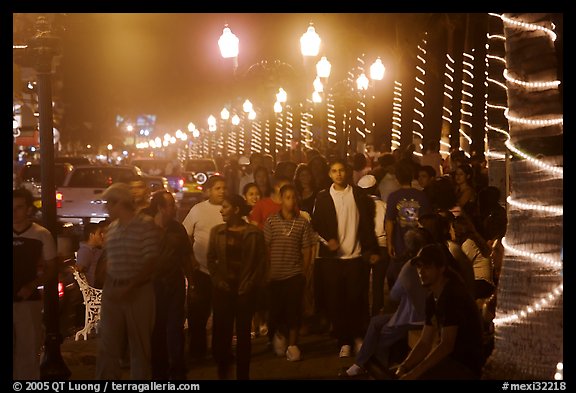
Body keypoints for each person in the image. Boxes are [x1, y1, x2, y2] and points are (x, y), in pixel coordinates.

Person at [339, 227, 432, 378]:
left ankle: (378, 371)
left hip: (415, 318)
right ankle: (359, 366)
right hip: (416, 314)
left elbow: (394, 295)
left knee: (381, 335)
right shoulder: (427, 263)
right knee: (376, 322)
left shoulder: (410, 267)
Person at [311, 158, 380, 358]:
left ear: (347, 172)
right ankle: (344, 341)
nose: (338, 174)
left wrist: (372, 249)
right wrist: (328, 242)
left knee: (356, 300)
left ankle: (358, 337)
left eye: (341, 170)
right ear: (329, 174)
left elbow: (367, 225)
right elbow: (316, 226)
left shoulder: (358, 195)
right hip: (333, 260)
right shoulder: (323, 197)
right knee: (336, 302)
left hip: (356, 256)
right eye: (334, 170)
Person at [95, 182, 161, 380]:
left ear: (120, 203)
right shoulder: (112, 229)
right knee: (108, 347)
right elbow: (110, 261)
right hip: (113, 291)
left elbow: (151, 261)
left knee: (139, 347)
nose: (106, 208)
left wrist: (131, 286)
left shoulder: (145, 224)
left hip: (138, 291)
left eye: (109, 203)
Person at [395, 243, 484, 380]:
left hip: (465, 364)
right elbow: (425, 341)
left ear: (441, 268)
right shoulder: (433, 296)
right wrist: (404, 367)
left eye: (427, 267)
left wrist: (413, 374)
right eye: (419, 266)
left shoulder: (452, 294)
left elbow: (446, 345)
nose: (421, 272)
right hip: (451, 361)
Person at [207, 194, 268, 380]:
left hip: (244, 291)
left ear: (236, 209)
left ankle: (243, 375)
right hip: (223, 291)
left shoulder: (254, 233)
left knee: (243, 338)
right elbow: (211, 260)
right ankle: (223, 373)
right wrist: (218, 279)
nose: (221, 210)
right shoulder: (217, 232)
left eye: (225, 207)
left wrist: (250, 282)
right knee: (222, 338)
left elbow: (261, 262)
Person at [263, 184, 316, 361]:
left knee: (294, 311)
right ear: (281, 199)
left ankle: (293, 345)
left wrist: (305, 271)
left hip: (294, 274)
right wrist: (267, 271)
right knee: (276, 310)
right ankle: (278, 337)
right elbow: (265, 247)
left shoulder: (302, 222)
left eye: (294, 197)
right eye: (287, 197)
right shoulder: (271, 221)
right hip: (275, 275)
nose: (291, 201)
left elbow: (308, 248)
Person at [13, 188, 58, 380]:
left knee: (28, 350)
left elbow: (51, 268)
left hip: (27, 300)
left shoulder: (41, 235)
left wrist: (32, 285)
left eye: (19, 208)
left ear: (29, 209)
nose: (14, 212)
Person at [181, 175, 226, 361]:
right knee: (198, 314)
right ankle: (197, 351)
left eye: (224, 188)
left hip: (224, 272)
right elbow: (185, 236)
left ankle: (220, 351)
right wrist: (191, 261)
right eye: (217, 188)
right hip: (201, 271)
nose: (222, 191)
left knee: (222, 314)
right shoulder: (198, 210)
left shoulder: (229, 209)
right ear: (208, 191)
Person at [149, 190, 192, 380]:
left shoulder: (177, 229)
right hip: (153, 286)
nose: (174, 208)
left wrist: (192, 282)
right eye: (171, 205)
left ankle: (177, 366)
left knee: (175, 326)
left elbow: (186, 256)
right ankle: (159, 367)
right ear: (160, 207)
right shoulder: (146, 229)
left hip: (174, 283)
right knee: (156, 327)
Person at [385, 159, 431, 288]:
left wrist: (389, 243)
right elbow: (427, 222)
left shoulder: (393, 196)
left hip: (400, 243)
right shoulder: (421, 196)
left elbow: (389, 221)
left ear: (397, 178)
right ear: (412, 176)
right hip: (419, 243)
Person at [357, 174, 390, 317]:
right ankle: (377, 314)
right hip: (382, 246)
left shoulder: (358, 207)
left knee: (362, 284)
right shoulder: (384, 205)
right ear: (375, 188)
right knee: (378, 285)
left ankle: (363, 314)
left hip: (364, 247)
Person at [75, 222, 104, 287]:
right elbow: (79, 273)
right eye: (99, 233)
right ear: (91, 235)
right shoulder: (85, 251)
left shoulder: (96, 249)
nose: (102, 236)